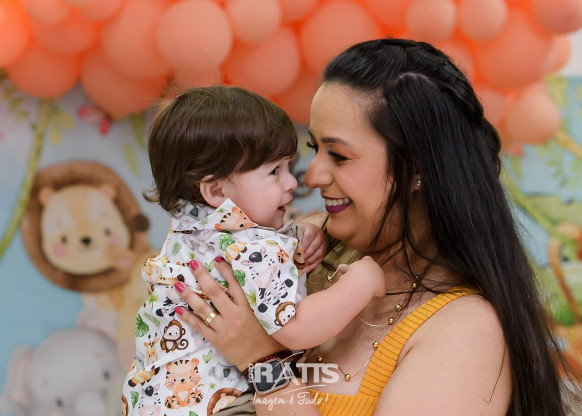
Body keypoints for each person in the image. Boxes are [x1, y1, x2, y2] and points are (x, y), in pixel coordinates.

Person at [173, 38, 579, 416]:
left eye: (339, 155)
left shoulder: (466, 331)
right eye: (315, 149)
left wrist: (263, 364)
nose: (310, 176)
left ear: (416, 168)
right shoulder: (306, 251)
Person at [121, 86, 386, 416]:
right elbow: (297, 329)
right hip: (218, 403)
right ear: (216, 191)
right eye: (275, 171)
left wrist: (296, 236)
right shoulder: (255, 248)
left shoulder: (190, 233)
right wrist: (361, 283)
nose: (292, 183)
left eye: (288, 167)